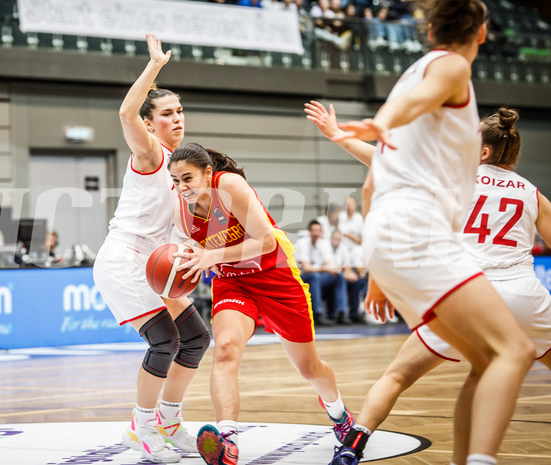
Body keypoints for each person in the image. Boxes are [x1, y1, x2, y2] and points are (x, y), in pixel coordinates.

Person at [306, 2, 537, 463]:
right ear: (484, 32)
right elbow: (416, 100)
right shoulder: (449, 67)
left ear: (429, 28)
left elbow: (372, 184)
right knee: (516, 350)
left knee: (488, 360)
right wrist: (383, 121)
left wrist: (378, 273)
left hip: (391, 235)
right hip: (420, 231)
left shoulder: (413, 81)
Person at [168, 143, 353, 465]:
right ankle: (227, 441)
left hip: (276, 277)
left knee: (309, 368)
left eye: (188, 178)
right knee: (225, 348)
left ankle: (339, 414)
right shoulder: (180, 211)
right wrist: (190, 260)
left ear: (208, 173)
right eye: (175, 181)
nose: (182, 188)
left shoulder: (229, 186)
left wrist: (212, 255)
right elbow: (201, 254)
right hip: (233, 282)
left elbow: (265, 240)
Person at [92, 34, 210, 464]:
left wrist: (196, 254)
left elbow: (182, 232)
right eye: (166, 113)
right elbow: (126, 111)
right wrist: (155, 66)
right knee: (164, 342)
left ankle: (169, 423)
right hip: (124, 259)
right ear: (148, 122)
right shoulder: (149, 153)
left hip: (153, 263)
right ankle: (142, 429)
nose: (177, 118)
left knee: (196, 338)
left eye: (180, 110)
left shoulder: (182, 170)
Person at [296, 220, 349, 324]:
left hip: (318, 276)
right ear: (309, 232)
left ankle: (341, 313)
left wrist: (335, 268)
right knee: (314, 276)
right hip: (302, 278)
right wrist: (326, 268)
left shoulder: (324, 244)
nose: (316, 233)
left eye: (318, 231)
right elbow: (307, 268)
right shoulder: (302, 243)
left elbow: (329, 264)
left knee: (339, 276)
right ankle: (317, 314)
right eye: (314, 230)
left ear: (321, 232)